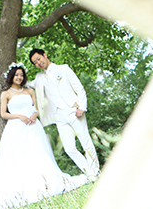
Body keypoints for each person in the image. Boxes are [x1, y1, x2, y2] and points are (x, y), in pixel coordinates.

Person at [0, 63, 88, 209]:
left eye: (21, 75)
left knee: (39, 152)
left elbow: (37, 107)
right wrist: (19, 116)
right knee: (20, 157)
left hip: (33, 126)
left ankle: (46, 183)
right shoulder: (6, 94)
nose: (19, 77)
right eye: (16, 75)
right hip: (16, 127)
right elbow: (3, 114)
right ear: (11, 76)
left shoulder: (29, 91)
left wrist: (34, 115)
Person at [27, 48, 100, 180]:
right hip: (59, 116)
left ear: (45, 55)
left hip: (73, 110)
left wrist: (82, 107)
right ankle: (88, 171)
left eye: (39, 59)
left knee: (86, 143)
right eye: (35, 62)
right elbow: (28, 85)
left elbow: (79, 88)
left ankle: (94, 172)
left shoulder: (63, 69)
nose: (38, 63)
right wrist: (14, 75)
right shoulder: (40, 78)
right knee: (69, 148)